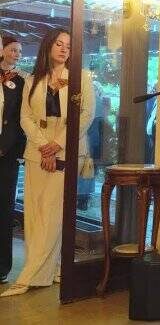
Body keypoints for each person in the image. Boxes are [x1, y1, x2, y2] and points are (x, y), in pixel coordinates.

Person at [1, 29, 94, 297]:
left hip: (66, 148)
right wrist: (44, 146)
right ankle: (53, 270)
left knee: (53, 215)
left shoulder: (81, 77)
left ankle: (30, 276)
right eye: (59, 44)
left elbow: (86, 115)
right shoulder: (32, 79)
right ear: (48, 46)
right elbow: (25, 117)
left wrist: (58, 145)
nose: (64, 49)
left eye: (68, 46)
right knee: (34, 214)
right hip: (36, 151)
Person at [0, 36, 27, 284]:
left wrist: (18, 151)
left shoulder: (21, 81)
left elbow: (22, 118)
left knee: (5, 208)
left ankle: (2, 267)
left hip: (7, 154)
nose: (16, 54)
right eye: (12, 49)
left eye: (19, 51)